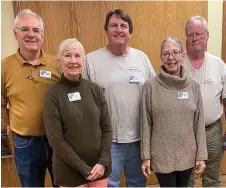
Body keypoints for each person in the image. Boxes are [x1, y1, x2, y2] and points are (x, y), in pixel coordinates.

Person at [82, 9, 155, 187]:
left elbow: (154, 92)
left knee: (137, 183)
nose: (119, 30)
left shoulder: (141, 58)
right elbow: (83, 104)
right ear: (106, 30)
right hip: (107, 141)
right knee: (108, 184)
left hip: (138, 139)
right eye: (114, 25)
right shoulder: (90, 60)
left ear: (130, 32)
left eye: (124, 26)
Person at [1, 9, 60, 187]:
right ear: (15, 33)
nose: (31, 35)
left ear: (42, 36)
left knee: (63, 184)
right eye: (25, 29)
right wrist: (17, 126)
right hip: (25, 144)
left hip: (57, 141)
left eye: (36, 30)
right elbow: (2, 104)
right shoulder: (4, 67)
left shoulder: (56, 64)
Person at [43, 38, 112, 187]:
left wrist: (103, 161)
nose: (73, 60)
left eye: (77, 55)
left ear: (84, 59)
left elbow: (107, 128)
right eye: (67, 55)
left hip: (99, 167)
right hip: (69, 170)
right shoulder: (52, 94)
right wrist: (84, 169)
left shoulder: (95, 90)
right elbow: (56, 139)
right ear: (59, 60)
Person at [140, 36, 207, 187]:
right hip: (162, 155)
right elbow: (145, 123)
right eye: (166, 54)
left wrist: (201, 155)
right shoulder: (150, 87)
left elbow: (199, 123)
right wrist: (146, 156)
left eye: (175, 52)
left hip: (187, 155)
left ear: (183, 55)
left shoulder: (194, 87)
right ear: (161, 57)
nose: (171, 58)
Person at [184, 16, 226, 187]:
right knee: (185, 178)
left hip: (212, 130)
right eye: (190, 34)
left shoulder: (218, 64)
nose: (194, 38)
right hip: (183, 131)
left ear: (207, 35)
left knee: (212, 178)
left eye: (198, 34)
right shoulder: (176, 63)